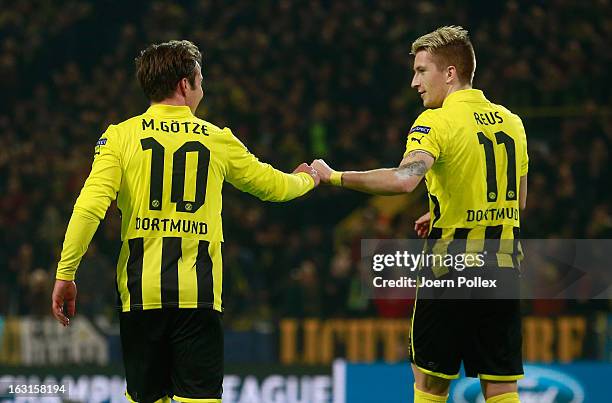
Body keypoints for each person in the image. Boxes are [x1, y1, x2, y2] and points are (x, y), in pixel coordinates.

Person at [51, 40, 319, 403]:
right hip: (198, 297)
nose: (203, 89)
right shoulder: (216, 139)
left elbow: (89, 208)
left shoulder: (119, 137)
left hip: (140, 295)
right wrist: (309, 178)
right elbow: (275, 187)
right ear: (184, 84)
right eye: (200, 79)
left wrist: (66, 273)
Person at [312, 26, 527, 403]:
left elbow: (403, 180)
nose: (414, 82)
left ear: (450, 73)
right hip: (503, 268)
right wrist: (444, 210)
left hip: (451, 268)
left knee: (431, 383)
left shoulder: (436, 122)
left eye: (421, 70)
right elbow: (517, 201)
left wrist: (335, 176)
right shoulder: (513, 122)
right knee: (500, 384)